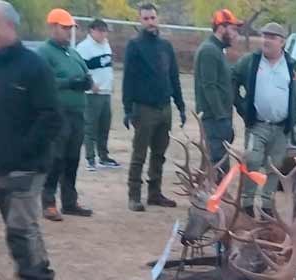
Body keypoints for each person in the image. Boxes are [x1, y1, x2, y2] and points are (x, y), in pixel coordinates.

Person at [0, 0, 60, 280]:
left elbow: (51, 117)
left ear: (10, 25)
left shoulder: (34, 66)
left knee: (20, 227)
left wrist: (23, 152)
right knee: (22, 225)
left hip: (27, 164)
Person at [122, 2, 185, 212]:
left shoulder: (165, 46)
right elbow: (128, 79)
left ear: (158, 19)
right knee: (139, 154)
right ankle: (134, 196)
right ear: (141, 20)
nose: (150, 22)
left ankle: (155, 193)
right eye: (146, 18)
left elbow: (173, 76)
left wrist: (180, 105)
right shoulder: (135, 46)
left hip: (164, 108)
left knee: (159, 153)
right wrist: (127, 108)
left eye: (152, 18)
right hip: (144, 108)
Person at [233, 21, 296, 214]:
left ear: (282, 42)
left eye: (272, 37)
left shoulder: (292, 66)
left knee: (274, 167)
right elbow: (232, 78)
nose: (266, 40)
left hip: (280, 127)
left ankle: (267, 206)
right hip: (257, 124)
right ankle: (247, 204)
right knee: (252, 160)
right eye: (264, 36)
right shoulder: (251, 61)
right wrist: (242, 106)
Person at [38, 8, 94, 221]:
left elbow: (85, 72)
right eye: (65, 27)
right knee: (56, 158)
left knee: (72, 158)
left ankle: (70, 202)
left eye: (70, 28)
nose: (69, 32)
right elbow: (43, 82)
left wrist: (86, 81)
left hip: (77, 112)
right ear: (52, 27)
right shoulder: (44, 52)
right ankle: (49, 202)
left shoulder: (73, 52)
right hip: (58, 113)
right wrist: (69, 83)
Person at [193, 8, 241, 181]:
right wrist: (221, 117)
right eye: (233, 29)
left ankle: (215, 201)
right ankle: (213, 204)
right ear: (221, 28)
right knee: (217, 164)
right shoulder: (209, 51)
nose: (236, 34)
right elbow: (209, 87)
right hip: (214, 119)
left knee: (219, 162)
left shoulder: (217, 50)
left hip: (219, 117)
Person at [76, 18, 119, 171]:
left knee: (104, 126)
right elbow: (80, 70)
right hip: (92, 93)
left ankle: (104, 156)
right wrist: (90, 84)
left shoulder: (106, 45)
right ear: (92, 31)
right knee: (91, 126)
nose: (103, 34)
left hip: (106, 92)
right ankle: (90, 159)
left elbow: (107, 67)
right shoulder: (84, 48)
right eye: (100, 31)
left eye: (104, 31)